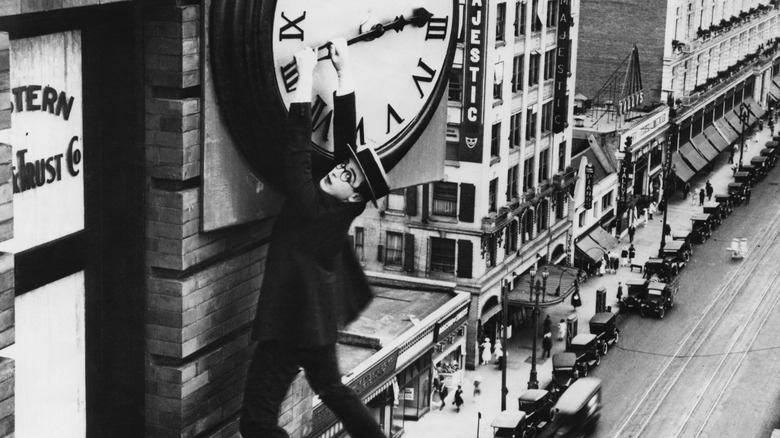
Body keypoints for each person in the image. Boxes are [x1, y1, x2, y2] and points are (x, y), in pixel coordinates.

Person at [240, 41, 391, 438]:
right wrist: (344, 75)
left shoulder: (310, 206)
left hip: (291, 324)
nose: (340, 172)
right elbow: (345, 148)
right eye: (344, 169)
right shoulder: (344, 206)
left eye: (349, 178)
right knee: (334, 390)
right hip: (315, 324)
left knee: (256, 422)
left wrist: (304, 79)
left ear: (356, 197)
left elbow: (296, 153)